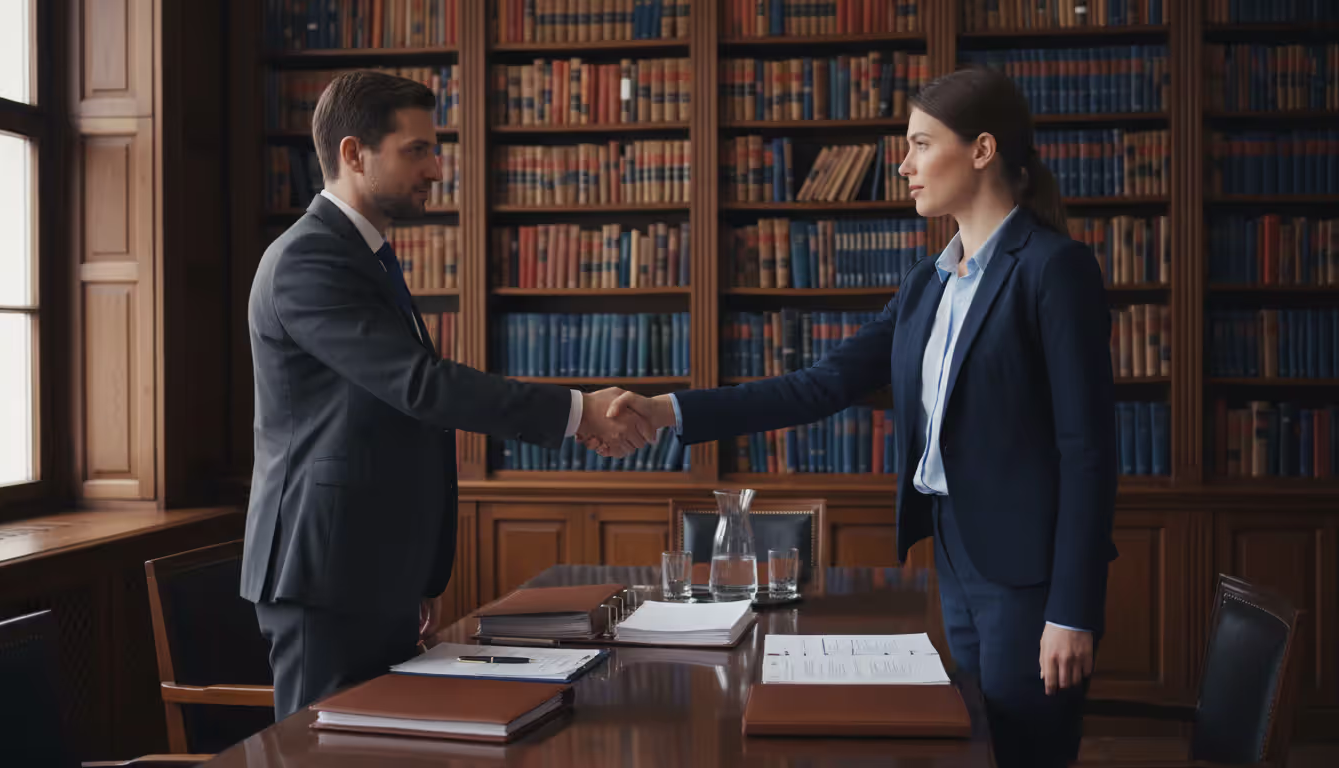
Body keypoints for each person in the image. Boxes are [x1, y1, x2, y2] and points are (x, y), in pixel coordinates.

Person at [593, 66, 1117, 768]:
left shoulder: (1054, 269)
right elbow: (822, 384)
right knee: (980, 742)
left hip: (1030, 573)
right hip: (955, 549)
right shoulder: (930, 283)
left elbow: (1088, 451)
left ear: (983, 150)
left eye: (921, 144)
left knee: (1025, 750)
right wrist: (666, 410)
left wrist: (1072, 610)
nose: (903, 166)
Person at [241, 70, 651, 720]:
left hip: (374, 571)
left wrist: (418, 576)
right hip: (327, 573)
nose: (436, 168)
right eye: (417, 151)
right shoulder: (308, 261)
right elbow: (421, 389)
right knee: (325, 755)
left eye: (435, 150)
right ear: (353, 154)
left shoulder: (364, 258)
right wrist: (577, 412)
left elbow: (393, 416)